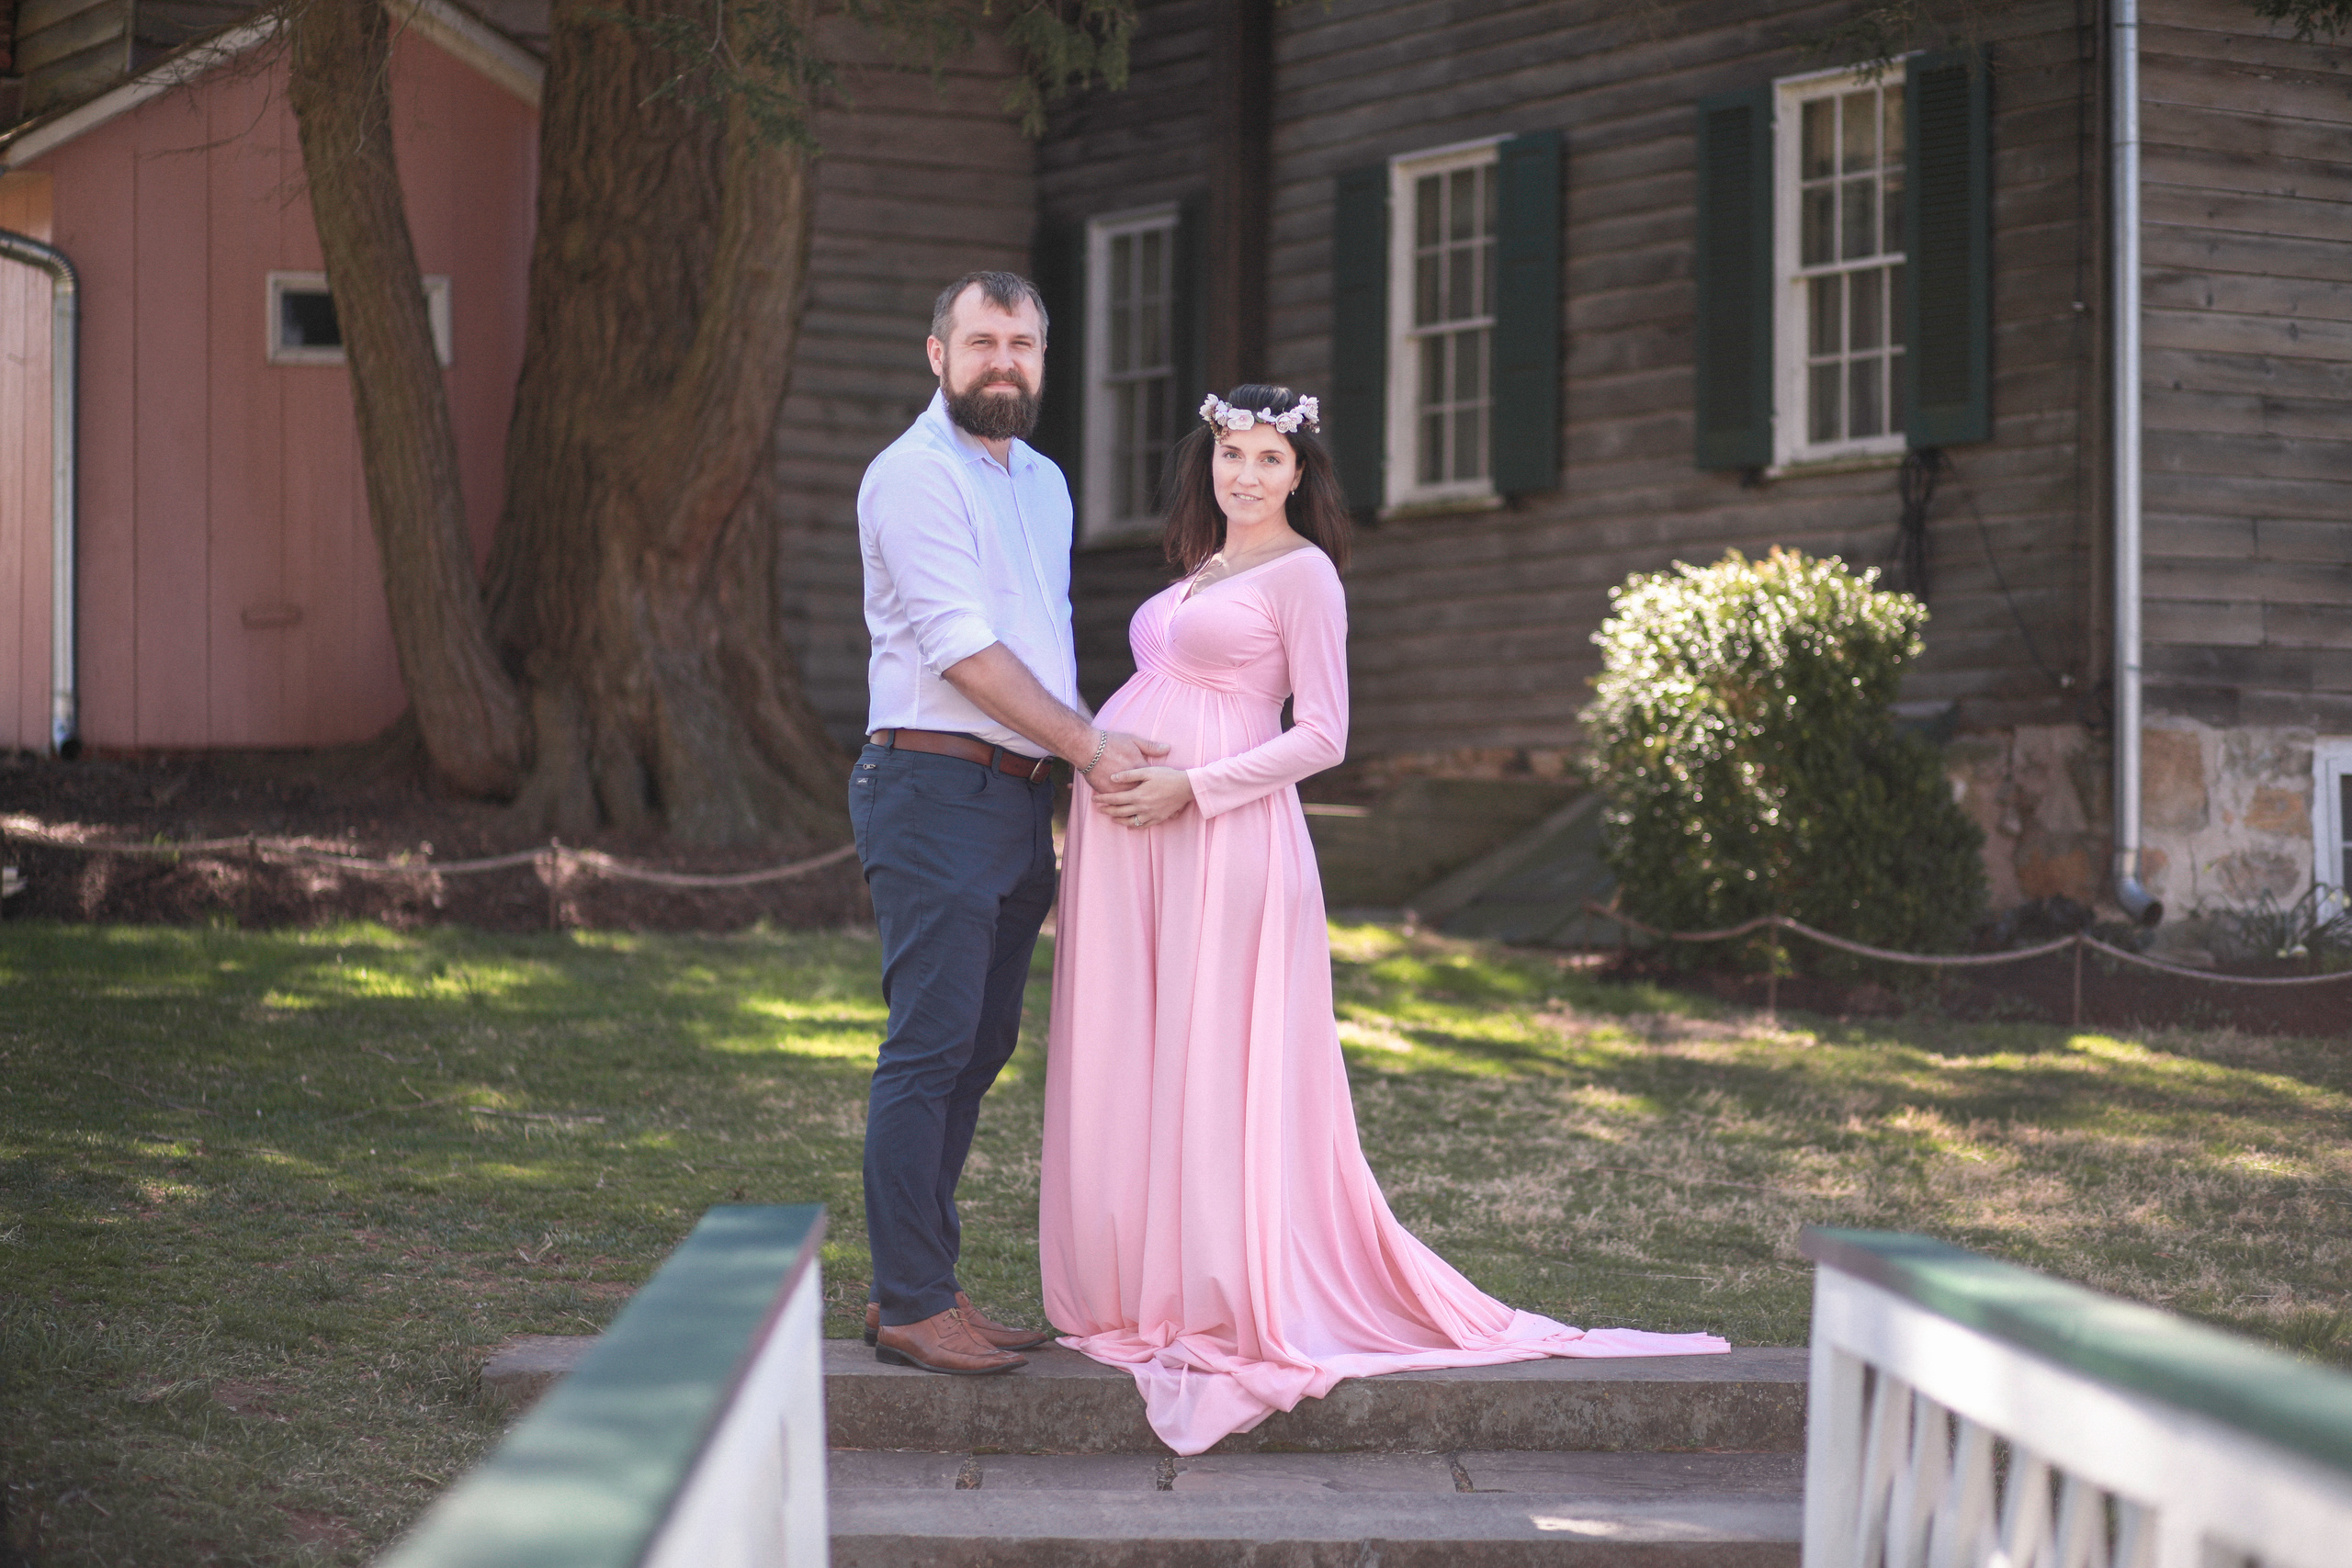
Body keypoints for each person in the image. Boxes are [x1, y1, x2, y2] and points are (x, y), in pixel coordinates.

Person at [1039, 384, 1728, 1453]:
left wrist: (1193, 786)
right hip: (1137, 846)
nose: (1247, 476)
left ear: (1301, 475)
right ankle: (1143, 1279)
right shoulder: (1204, 569)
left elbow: (1324, 734)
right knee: (1141, 1051)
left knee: (1216, 1057)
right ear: (1208, 463)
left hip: (1222, 838)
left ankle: (1228, 1286)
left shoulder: (1304, 575)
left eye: (1271, 459)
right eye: (1232, 455)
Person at [853, 271, 1165, 1376]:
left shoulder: (1041, 483)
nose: (1002, 360)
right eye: (980, 341)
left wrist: (1071, 765)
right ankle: (906, 1300)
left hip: (1016, 794)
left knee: (981, 1045)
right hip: (932, 786)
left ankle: (929, 1283)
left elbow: (1043, 643)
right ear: (936, 355)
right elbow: (964, 651)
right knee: (930, 1044)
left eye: (1022, 344)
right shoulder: (914, 477)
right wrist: (1090, 748)